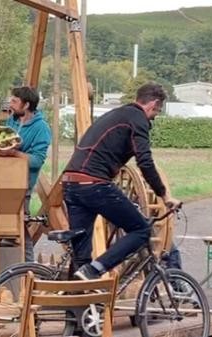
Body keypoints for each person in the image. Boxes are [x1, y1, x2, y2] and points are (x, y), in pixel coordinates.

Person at [62, 82, 181, 280]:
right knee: (141, 229)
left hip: (70, 183)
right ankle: (97, 268)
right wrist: (164, 195)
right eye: (157, 112)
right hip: (94, 184)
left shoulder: (117, 114)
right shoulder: (137, 118)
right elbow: (145, 161)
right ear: (154, 104)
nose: (155, 116)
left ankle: (75, 306)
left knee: (81, 257)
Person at [0, 86, 51, 263]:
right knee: (4, 231)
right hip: (2, 183)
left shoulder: (41, 128)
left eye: (14, 101)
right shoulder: (11, 122)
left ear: (26, 105)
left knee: (19, 229)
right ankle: (8, 269)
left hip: (22, 186)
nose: (10, 104)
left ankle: (29, 270)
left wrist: (14, 153)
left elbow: (36, 161)